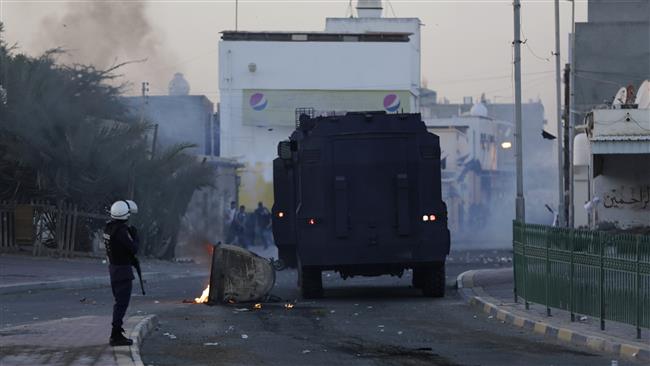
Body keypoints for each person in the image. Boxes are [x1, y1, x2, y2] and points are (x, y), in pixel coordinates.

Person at [104, 200, 139, 346]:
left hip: (114, 269)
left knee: (119, 302)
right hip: (123, 271)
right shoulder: (121, 231)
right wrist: (135, 236)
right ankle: (116, 335)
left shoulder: (108, 227)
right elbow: (133, 248)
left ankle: (117, 332)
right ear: (126, 215)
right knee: (121, 304)